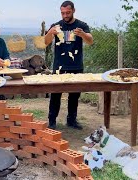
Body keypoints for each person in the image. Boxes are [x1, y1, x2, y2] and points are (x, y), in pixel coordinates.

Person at [44, 1, 93, 130]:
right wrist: (50, 33)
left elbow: (90, 41)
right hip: (59, 66)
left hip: (76, 65)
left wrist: (82, 34)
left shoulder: (81, 25)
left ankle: (71, 120)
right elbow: (46, 42)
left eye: (68, 13)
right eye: (62, 13)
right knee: (55, 94)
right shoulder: (56, 25)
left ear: (73, 11)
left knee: (74, 95)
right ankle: (52, 121)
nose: (65, 15)